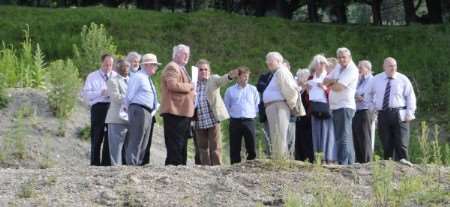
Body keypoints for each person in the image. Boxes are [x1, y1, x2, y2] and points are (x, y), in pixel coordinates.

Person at [366, 57, 416, 165]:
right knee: (386, 142)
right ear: (384, 67)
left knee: (401, 142)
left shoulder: (403, 79)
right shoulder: (376, 79)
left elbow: (410, 96)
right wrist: (371, 107)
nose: (393, 68)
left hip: (399, 113)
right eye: (390, 66)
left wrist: (410, 112)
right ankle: (388, 166)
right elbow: (368, 94)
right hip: (383, 113)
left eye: (395, 65)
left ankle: (404, 165)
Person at [193, 59, 238, 165]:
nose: (203, 71)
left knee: (215, 147)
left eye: (206, 69)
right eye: (201, 70)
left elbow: (222, 80)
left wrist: (230, 76)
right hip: (199, 120)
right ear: (196, 71)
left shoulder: (213, 79)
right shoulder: (193, 83)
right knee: (202, 148)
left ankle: (218, 169)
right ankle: (206, 169)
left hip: (213, 118)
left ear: (209, 71)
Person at [160, 44, 195, 166]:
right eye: (183, 53)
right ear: (175, 54)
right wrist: (190, 86)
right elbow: (172, 85)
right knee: (175, 145)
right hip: (175, 112)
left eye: (188, 54)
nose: (187, 56)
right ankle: (173, 170)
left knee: (181, 144)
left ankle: (179, 169)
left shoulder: (181, 68)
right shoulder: (172, 67)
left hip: (182, 112)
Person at [323, 47, 359, 165]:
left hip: (345, 106)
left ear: (350, 57)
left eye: (344, 57)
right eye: (339, 57)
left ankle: (344, 163)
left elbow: (339, 87)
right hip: (336, 106)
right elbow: (325, 80)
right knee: (341, 136)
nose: (342, 60)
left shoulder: (352, 69)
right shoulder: (338, 66)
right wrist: (335, 80)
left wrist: (332, 83)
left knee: (343, 136)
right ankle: (348, 162)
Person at [124, 53, 160, 165]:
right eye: (154, 65)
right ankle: (131, 165)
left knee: (143, 142)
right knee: (136, 139)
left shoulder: (147, 79)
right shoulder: (138, 77)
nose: (156, 67)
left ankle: (137, 164)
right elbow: (129, 95)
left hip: (147, 112)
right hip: (139, 110)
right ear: (147, 65)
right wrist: (128, 110)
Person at [262, 52, 298, 160]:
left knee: (280, 134)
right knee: (275, 135)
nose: (267, 62)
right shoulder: (277, 73)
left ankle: (281, 160)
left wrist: (291, 105)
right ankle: (278, 159)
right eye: (267, 60)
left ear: (278, 61)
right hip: (274, 107)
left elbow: (291, 90)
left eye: (270, 60)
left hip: (279, 106)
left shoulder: (282, 71)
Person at [83, 54, 116, 166]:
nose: (108, 67)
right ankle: (94, 163)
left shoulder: (115, 76)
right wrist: (100, 92)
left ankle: (106, 163)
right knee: (97, 136)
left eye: (110, 65)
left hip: (112, 107)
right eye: (106, 64)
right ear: (101, 63)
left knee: (109, 137)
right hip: (98, 108)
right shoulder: (92, 76)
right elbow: (87, 95)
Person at [224, 67, 260, 164]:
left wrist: (252, 115)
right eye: (244, 77)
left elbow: (257, 104)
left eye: (247, 77)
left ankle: (251, 165)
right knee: (235, 146)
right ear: (237, 78)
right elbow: (227, 106)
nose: (246, 79)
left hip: (249, 120)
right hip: (235, 120)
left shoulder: (253, 89)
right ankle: (234, 166)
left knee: (251, 145)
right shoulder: (230, 90)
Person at [308, 55, 336, 163]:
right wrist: (307, 89)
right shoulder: (311, 78)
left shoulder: (328, 77)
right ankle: (318, 157)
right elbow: (307, 97)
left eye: (322, 63)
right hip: (314, 106)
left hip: (326, 107)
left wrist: (323, 87)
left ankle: (328, 157)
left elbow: (333, 92)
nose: (320, 65)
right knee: (316, 132)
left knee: (327, 132)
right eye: (318, 63)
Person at [105, 60, 130, 166]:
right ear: (118, 68)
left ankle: (127, 170)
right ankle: (116, 170)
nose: (127, 68)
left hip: (130, 118)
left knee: (128, 147)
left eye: (128, 66)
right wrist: (133, 99)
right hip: (116, 118)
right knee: (116, 147)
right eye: (125, 66)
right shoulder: (112, 81)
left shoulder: (132, 80)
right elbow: (116, 97)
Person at [352, 60, 374, 163]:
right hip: (356, 110)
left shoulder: (371, 80)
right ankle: (359, 161)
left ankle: (367, 161)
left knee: (365, 137)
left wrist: (356, 95)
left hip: (365, 110)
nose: (358, 70)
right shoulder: (359, 80)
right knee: (356, 136)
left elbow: (363, 96)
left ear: (367, 69)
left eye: (360, 67)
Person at [294, 68, 315, 163]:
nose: (298, 79)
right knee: (299, 138)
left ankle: (308, 158)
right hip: (300, 118)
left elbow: (309, 103)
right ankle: (300, 157)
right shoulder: (300, 90)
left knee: (307, 138)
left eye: (300, 77)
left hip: (307, 117)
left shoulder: (308, 90)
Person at [256, 70, 274, 157]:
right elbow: (259, 86)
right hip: (266, 109)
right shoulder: (264, 76)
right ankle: (269, 153)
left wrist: (267, 87)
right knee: (267, 132)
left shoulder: (281, 75)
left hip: (278, 108)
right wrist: (270, 87)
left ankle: (278, 154)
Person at [283, 59, 297, 157]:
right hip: (281, 113)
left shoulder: (292, 79)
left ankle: (290, 158)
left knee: (291, 138)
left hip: (291, 112)